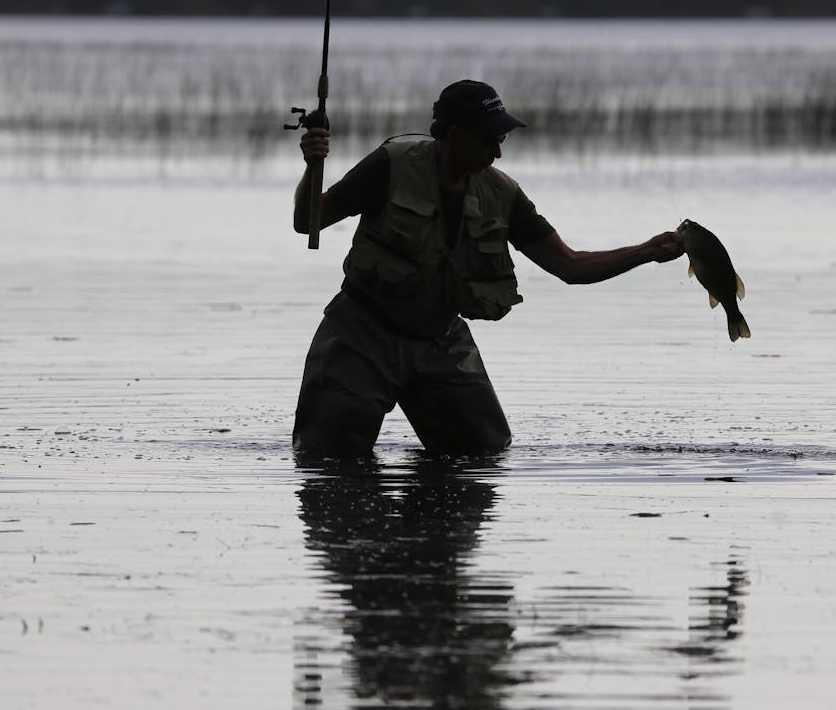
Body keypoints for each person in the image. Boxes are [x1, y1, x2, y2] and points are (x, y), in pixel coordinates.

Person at [291, 79, 683, 458]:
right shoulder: (390, 165)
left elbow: (569, 265)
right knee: (328, 457)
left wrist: (645, 251)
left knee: (483, 452)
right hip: (361, 335)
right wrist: (313, 166)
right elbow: (308, 219)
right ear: (455, 133)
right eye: (489, 139)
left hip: (441, 340)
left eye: (501, 140)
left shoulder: (503, 193)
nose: (497, 152)